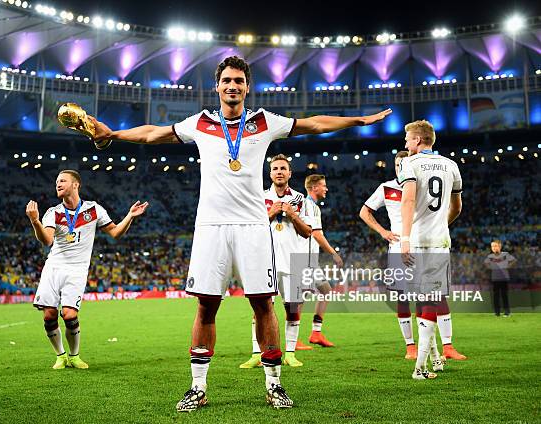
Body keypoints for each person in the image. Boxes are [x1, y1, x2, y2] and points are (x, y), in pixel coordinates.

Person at [88, 55, 391, 410]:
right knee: (206, 306)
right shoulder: (200, 122)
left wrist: (357, 120)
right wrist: (113, 134)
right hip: (211, 227)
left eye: (239, 81)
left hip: (252, 226)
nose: (233, 86)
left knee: (263, 303)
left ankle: (274, 385)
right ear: (217, 87)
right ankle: (197, 387)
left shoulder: (265, 122)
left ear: (247, 87)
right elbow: (154, 133)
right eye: (227, 81)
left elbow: (313, 125)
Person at [26, 170, 148, 370]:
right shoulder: (53, 212)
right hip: (54, 267)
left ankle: (74, 356)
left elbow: (115, 232)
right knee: (49, 315)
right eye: (56, 181)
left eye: (62, 180)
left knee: (69, 315)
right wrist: (35, 221)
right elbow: (47, 240)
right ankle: (60, 355)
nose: (58, 184)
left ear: (76, 185)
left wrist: (130, 216)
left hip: (77, 270)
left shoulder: (94, 210)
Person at [360, 151, 467, 361]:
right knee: (403, 298)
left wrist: (438, 229)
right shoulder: (386, 188)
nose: (401, 167)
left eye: (403, 163)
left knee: (436, 296)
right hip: (399, 249)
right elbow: (364, 211)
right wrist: (383, 233)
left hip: (426, 247)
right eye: (398, 164)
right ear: (394, 166)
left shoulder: (422, 185)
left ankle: (448, 346)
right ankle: (410, 346)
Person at [398, 120, 463, 380]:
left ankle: (422, 366)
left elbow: (409, 199)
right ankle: (430, 361)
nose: (405, 144)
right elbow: (456, 207)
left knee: (424, 300)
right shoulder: (451, 165)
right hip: (439, 242)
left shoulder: (409, 164)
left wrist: (405, 237)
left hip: (415, 240)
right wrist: (440, 225)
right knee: (432, 299)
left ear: (416, 141)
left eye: (407, 140)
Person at [240, 154, 312, 370]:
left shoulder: (301, 200)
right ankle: (256, 353)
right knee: (261, 309)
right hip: (265, 260)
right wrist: (269, 214)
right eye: (275, 168)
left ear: (290, 173)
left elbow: (307, 232)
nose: (279, 171)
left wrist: (293, 215)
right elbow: (250, 230)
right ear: (270, 173)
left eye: (283, 168)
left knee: (293, 308)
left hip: (292, 260)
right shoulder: (259, 198)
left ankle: (290, 353)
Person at [303, 174, 343, 347]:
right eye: (323, 185)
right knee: (299, 297)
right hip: (304, 259)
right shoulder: (309, 206)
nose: (326, 188)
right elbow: (317, 234)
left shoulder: (311, 206)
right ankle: (295, 339)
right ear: (314, 188)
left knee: (325, 291)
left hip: (310, 259)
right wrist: (333, 253)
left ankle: (316, 333)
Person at [484, 240, 516, 316]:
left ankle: (507, 312)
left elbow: (514, 260)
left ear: (500, 246)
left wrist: (509, 266)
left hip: (504, 278)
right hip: (495, 278)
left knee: (504, 295)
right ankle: (497, 312)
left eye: (495, 246)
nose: (494, 248)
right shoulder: (490, 256)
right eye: (492, 246)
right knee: (496, 296)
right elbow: (485, 263)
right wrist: (489, 267)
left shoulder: (505, 254)